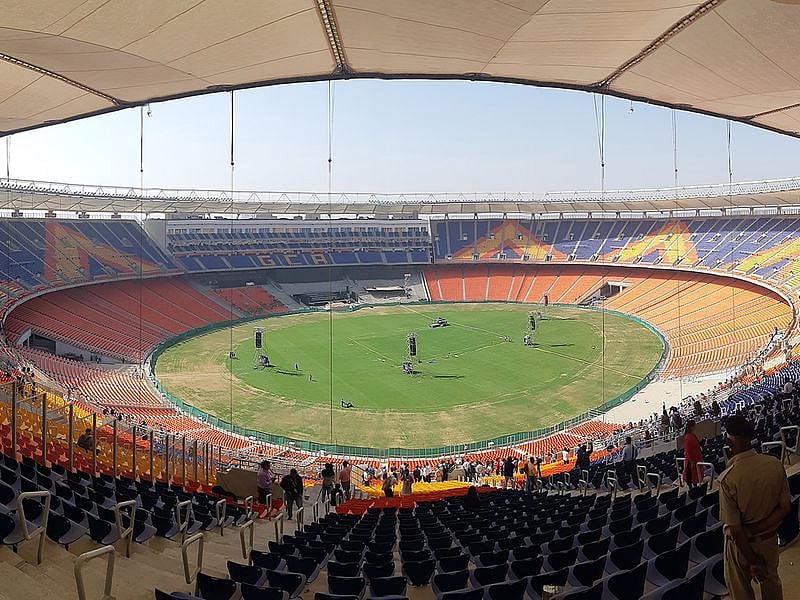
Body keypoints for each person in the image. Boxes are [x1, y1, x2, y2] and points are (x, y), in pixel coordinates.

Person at [719, 415, 791, 600]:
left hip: (740, 547)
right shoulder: (774, 464)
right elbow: (785, 508)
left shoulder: (728, 479)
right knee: (772, 586)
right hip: (768, 540)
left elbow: (735, 530)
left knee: (741, 592)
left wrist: (753, 561)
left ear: (730, 441)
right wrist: (759, 528)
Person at [682, 420, 703, 488]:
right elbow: (688, 451)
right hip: (692, 461)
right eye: (694, 425)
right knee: (692, 477)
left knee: (695, 477)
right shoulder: (688, 437)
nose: (695, 426)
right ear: (691, 427)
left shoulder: (691, 435)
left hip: (695, 459)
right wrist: (691, 462)